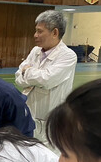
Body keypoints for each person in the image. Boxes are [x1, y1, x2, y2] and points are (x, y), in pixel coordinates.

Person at [15, 10, 77, 144]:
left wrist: (28, 72)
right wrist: (29, 74)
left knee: (50, 157)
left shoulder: (68, 55)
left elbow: (47, 79)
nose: (35, 35)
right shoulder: (35, 51)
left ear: (55, 32)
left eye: (39, 31)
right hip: (29, 115)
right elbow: (18, 78)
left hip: (51, 120)